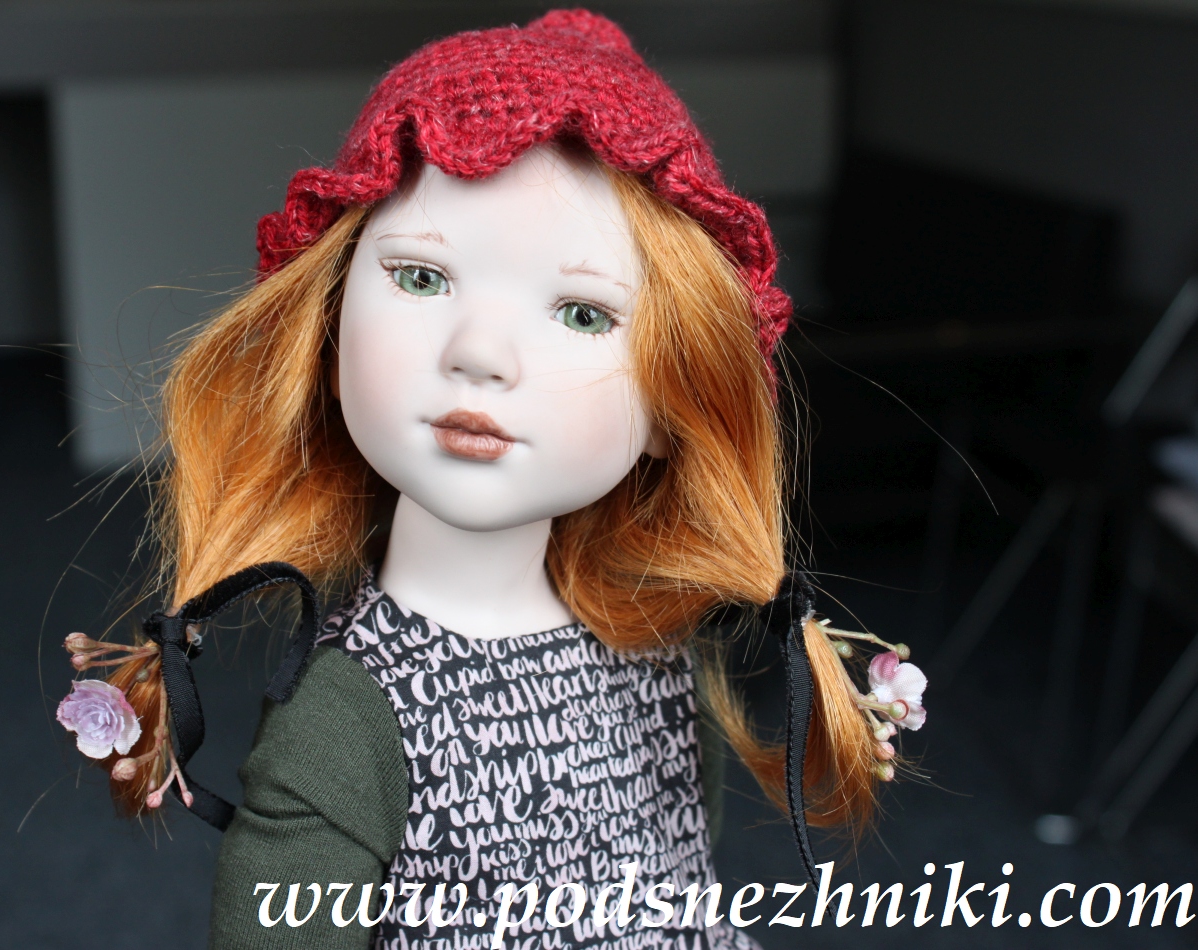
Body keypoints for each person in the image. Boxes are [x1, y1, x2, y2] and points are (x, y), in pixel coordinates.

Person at [53, 10, 929, 949]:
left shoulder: (654, 646)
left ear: (676, 401)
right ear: (325, 329)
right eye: (422, 278)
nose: (479, 354)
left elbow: (686, 887)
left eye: (584, 313)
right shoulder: (352, 717)